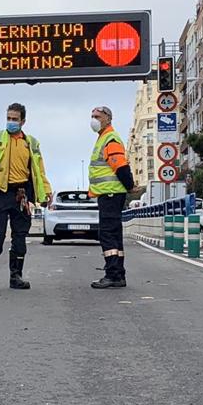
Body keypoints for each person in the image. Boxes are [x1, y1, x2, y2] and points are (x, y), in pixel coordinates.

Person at [0, 102, 52, 290]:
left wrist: (47, 191)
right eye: (8, 118)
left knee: (20, 236)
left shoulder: (31, 143)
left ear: (23, 121)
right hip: (1, 192)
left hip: (21, 195)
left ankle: (16, 276)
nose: (11, 122)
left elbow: (39, 171)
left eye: (14, 119)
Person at [88, 106, 136, 289]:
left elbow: (120, 166)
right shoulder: (103, 138)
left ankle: (112, 274)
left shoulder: (110, 138)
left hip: (111, 193)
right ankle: (117, 274)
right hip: (110, 194)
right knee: (114, 234)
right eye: (92, 116)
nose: (93, 120)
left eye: (97, 116)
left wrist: (130, 186)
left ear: (108, 118)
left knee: (107, 234)